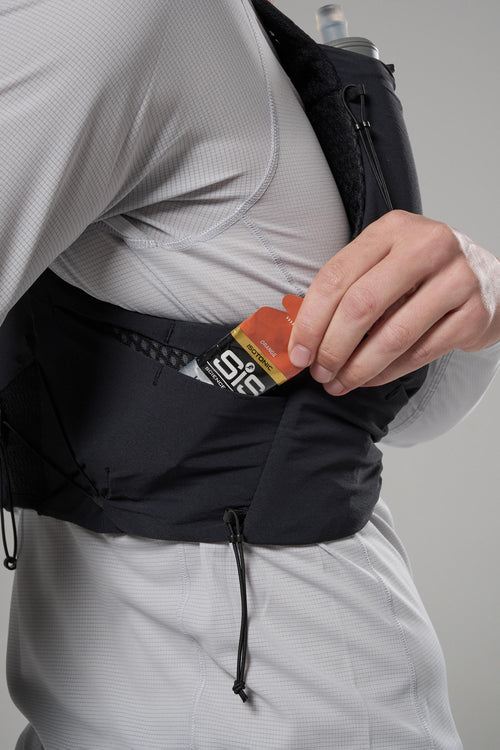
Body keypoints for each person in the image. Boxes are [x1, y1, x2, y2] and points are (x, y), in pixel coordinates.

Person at [0, 1, 499, 749]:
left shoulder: (119, 20)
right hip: (83, 708)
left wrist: (476, 300)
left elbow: (388, 412)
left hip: (281, 712)